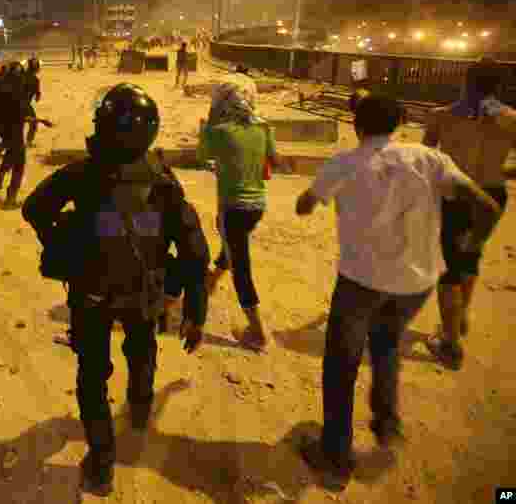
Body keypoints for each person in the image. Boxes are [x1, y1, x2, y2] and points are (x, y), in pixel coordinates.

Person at [294, 93, 502, 488]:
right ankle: (386, 423)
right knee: (387, 344)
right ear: (400, 124)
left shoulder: (344, 163)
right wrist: (471, 244)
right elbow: (486, 204)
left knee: (342, 363)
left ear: (356, 125)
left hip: (362, 281)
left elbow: (306, 206)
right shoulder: (429, 159)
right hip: (417, 282)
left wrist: (312, 197)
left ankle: (336, 454)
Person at [21, 83, 211, 495]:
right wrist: (196, 312)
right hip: (143, 292)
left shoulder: (83, 172)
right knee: (141, 347)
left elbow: (33, 209)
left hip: (91, 294)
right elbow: (196, 251)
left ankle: (102, 463)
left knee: (92, 376)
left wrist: (61, 243)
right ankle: (140, 408)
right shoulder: (163, 180)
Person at [421, 59, 515, 369]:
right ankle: (460, 319)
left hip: (456, 195)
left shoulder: (442, 116)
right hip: (492, 194)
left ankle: (450, 343)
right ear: (499, 85)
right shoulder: (511, 119)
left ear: (465, 81)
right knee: (472, 255)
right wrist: (502, 170)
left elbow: (427, 159)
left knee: (448, 265)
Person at [197, 78, 285, 350]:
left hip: (233, 206)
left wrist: (209, 124)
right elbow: (274, 159)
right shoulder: (263, 127)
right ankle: (211, 280)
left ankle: (258, 332)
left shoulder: (219, 131)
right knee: (235, 245)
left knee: (241, 268)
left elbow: (202, 156)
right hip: (257, 204)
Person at [0, 62, 30, 207]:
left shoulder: (1, 87)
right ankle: (10, 198)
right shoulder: (17, 91)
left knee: (11, 154)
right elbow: (21, 114)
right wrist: (37, 119)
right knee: (19, 163)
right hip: (15, 131)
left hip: (5, 129)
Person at [23, 57, 43, 147]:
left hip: (13, 103)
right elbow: (37, 98)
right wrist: (38, 94)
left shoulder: (21, 75)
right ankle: (29, 142)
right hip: (25, 105)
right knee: (33, 124)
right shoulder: (35, 80)